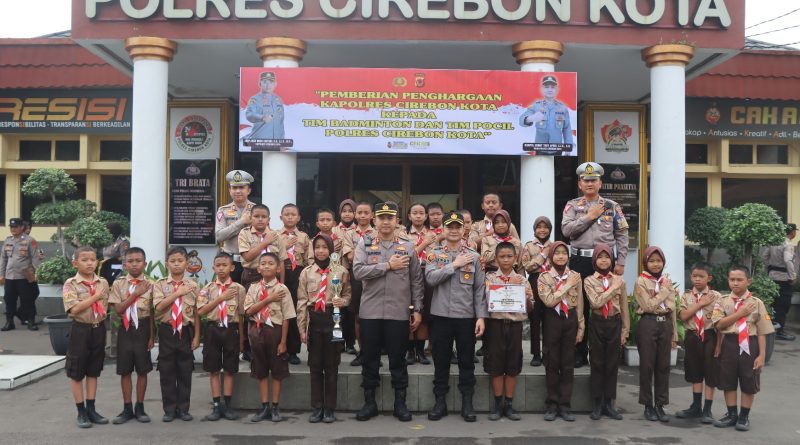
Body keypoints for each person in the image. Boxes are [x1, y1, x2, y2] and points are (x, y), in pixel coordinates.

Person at [352, 202, 424, 422]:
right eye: (381, 217)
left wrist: (418, 310)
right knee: (370, 358)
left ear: (397, 221)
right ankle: (369, 402)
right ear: (374, 220)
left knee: (398, 359)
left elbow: (416, 281)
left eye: (389, 218)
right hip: (371, 312)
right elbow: (357, 271)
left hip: (398, 313)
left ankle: (400, 403)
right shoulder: (364, 244)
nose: (385, 222)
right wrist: (387, 266)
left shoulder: (408, 246)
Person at [562, 162, 629, 368]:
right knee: (579, 306)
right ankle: (579, 352)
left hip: (603, 262)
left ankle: (599, 352)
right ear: (580, 184)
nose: (589, 184)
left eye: (593, 180)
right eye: (585, 180)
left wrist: (621, 262)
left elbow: (622, 234)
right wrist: (589, 217)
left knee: (602, 307)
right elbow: (566, 231)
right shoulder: (572, 206)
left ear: (600, 183)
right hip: (579, 260)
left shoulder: (611, 206)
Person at [424, 211, 486, 422]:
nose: (453, 230)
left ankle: (467, 402)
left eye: (457, 227)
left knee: (466, 361)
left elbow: (479, 290)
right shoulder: (435, 253)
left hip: (466, 316)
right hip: (441, 316)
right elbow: (430, 278)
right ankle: (439, 402)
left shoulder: (474, 256)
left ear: (463, 230)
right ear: (443, 229)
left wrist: (481, 317)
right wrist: (454, 265)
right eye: (449, 226)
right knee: (441, 360)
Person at [710, 265, 775, 432]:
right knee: (728, 380)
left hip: (750, 345)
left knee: (748, 380)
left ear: (748, 281)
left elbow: (762, 331)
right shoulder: (722, 301)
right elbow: (718, 325)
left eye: (740, 280)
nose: (735, 283)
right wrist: (740, 313)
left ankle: (744, 416)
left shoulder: (756, 303)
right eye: (732, 279)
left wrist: (761, 355)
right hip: (729, 344)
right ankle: (732, 414)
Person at [296, 234, 352, 423]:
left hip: (333, 318)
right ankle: (317, 407)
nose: (321, 251)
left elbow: (348, 295)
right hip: (314, 319)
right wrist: (302, 328)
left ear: (331, 249)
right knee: (315, 365)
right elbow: (302, 302)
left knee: (331, 365)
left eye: (324, 247)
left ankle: (329, 408)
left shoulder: (341, 271)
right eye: (317, 247)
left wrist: (342, 301)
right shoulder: (307, 272)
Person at [62, 246, 110, 428]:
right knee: (76, 371)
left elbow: (107, 307)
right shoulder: (71, 284)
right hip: (80, 330)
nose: (89, 263)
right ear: (75, 263)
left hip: (98, 329)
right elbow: (74, 309)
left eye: (92, 259)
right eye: (84, 260)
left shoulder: (103, 282)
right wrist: (95, 297)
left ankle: (92, 408)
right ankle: (80, 411)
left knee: (93, 370)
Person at [244, 252, 295, 423]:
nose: (266, 266)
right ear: (258, 268)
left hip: (275, 331)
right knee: (261, 370)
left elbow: (287, 317)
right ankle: (264, 406)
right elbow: (249, 311)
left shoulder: (282, 289)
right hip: (257, 331)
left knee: (277, 371)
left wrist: (283, 342)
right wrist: (269, 299)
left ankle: (275, 407)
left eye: (270, 263)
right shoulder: (253, 288)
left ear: (278, 268)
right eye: (263, 263)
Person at [483, 241, 532, 421]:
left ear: (515, 258)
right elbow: (487, 298)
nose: (506, 260)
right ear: (495, 259)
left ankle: (509, 404)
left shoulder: (523, 280)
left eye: (509, 256)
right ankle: (497, 404)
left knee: (512, 365)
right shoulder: (489, 278)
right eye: (502, 257)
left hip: (515, 325)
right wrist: (507, 285)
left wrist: (524, 295)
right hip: (495, 325)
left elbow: (530, 305)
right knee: (496, 365)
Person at [196, 253, 247, 421]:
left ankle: (228, 405)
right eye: (218, 265)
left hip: (231, 330)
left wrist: (241, 340)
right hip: (213, 330)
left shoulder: (239, 289)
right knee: (214, 369)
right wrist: (221, 298)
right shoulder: (208, 288)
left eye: (225, 265)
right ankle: (216, 405)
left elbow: (241, 316)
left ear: (232, 267)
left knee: (230, 369)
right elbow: (201, 311)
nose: (221, 268)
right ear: (213, 268)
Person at [152, 246, 201, 422]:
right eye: (173, 261)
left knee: (184, 370)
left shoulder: (193, 285)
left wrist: (196, 336)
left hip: (186, 330)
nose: (177, 264)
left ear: (187, 264)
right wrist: (177, 293)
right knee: (167, 370)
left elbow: (196, 312)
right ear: (167, 264)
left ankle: (183, 408)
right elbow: (158, 307)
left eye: (180, 261)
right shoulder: (160, 284)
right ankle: (169, 409)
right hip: (167, 330)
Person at [538, 241, 584, 422]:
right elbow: (549, 301)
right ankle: (551, 405)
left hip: (570, 318)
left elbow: (579, 302)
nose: (560, 256)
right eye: (557, 253)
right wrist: (566, 285)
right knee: (551, 362)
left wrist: (581, 327)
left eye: (564, 253)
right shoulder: (544, 277)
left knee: (567, 363)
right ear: (551, 256)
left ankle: (565, 406)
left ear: (568, 256)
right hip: (552, 319)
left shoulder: (575, 276)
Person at [108, 247, 155, 424]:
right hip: (126, 329)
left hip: (143, 328)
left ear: (145, 263)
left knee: (143, 370)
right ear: (124, 264)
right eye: (131, 261)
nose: (134, 264)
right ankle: (127, 407)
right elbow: (118, 309)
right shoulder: (119, 284)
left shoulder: (151, 284)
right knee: (125, 370)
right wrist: (135, 294)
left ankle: (140, 407)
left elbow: (151, 313)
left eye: (138, 261)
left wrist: (152, 336)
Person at [583, 244, 628, 421]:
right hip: (597, 322)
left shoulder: (620, 281)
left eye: (607, 257)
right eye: (600, 257)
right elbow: (595, 302)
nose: (604, 260)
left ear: (612, 260)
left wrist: (625, 329)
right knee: (597, 362)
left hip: (614, 322)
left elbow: (624, 306)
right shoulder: (589, 280)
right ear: (595, 260)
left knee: (612, 364)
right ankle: (597, 403)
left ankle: (609, 403)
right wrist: (612, 288)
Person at [634, 246, 678, 423]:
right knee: (647, 366)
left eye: (658, 261)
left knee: (663, 366)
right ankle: (647, 405)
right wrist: (665, 292)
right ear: (645, 262)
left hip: (665, 323)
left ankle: (660, 404)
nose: (655, 264)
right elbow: (648, 306)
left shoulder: (667, 280)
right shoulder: (641, 282)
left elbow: (673, 307)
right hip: (648, 323)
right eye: (651, 261)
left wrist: (674, 332)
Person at [675, 263, 721, 423]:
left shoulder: (716, 296)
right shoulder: (686, 296)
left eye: (701, 277)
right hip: (692, 336)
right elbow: (683, 316)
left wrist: (719, 344)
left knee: (710, 372)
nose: (697, 279)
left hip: (710, 336)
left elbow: (720, 323)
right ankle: (695, 407)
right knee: (695, 372)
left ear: (709, 278)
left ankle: (707, 409)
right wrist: (701, 303)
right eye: (694, 276)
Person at [343, 202, 377, 367]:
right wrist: (371, 253)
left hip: (376, 277)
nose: (363, 215)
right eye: (360, 213)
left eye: (366, 213)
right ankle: (362, 351)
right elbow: (350, 257)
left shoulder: (378, 232)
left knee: (376, 316)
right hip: (356, 278)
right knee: (358, 316)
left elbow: (382, 256)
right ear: (355, 215)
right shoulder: (349, 234)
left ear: (372, 215)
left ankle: (374, 353)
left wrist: (361, 252)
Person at [279, 203, 310, 365]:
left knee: (297, 311)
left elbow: (308, 260)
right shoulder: (275, 235)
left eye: (293, 214)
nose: (290, 217)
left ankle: (294, 351)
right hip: (281, 274)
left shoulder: (304, 237)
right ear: (281, 217)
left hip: (298, 274)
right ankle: (279, 347)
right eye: (287, 214)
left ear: (298, 218)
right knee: (281, 311)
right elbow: (270, 255)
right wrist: (284, 246)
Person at [406, 202, 436, 365]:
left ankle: (421, 350)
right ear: (409, 216)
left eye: (421, 213)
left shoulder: (434, 234)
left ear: (426, 216)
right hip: (408, 275)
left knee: (424, 312)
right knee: (409, 311)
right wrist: (424, 243)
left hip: (429, 274)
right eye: (414, 213)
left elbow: (439, 256)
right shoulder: (403, 235)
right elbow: (407, 256)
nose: (418, 216)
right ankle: (410, 350)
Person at [521, 216, 553, 366]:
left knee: (548, 319)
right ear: (534, 229)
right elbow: (527, 266)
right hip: (534, 281)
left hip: (551, 283)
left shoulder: (555, 246)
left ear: (550, 229)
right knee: (534, 319)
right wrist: (542, 256)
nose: (542, 230)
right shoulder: (528, 246)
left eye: (545, 227)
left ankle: (547, 352)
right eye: (539, 227)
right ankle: (535, 354)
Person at [215, 170, 256, 284]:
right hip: (230, 262)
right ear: (230, 190)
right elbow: (219, 236)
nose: (238, 191)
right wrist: (241, 222)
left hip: (251, 262)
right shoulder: (223, 210)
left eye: (241, 187)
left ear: (249, 190)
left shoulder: (257, 210)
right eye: (234, 188)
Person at [1, 217, 39, 331]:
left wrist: (35, 274)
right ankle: (9, 322)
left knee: (27, 299)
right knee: (9, 299)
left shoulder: (30, 240)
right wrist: (1, 274)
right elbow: (3, 259)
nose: (13, 229)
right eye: (11, 227)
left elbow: (35, 258)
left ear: (22, 227)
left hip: (24, 276)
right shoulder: (8, 241)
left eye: (15, 227)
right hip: (10, 276)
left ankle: (31, 321)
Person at [238, 204, 287, 289]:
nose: (260, 219)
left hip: (273, 276)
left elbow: (281, 261)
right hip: (251, 275)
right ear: (251, 218)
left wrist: (282, 284)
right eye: (256, 216)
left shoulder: (277, 236)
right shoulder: (244, 233)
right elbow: (247, 257)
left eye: (264, 217)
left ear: (269, 219)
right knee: (252, 301)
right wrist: (265, 242)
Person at [761, 223, 796, 341]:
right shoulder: (787, 243)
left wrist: (769, 269)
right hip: (784, 278)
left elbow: (764, 256)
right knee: (783, 304)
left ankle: (770, 327)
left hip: (772, 277)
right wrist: (792, 276)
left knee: (773, 303)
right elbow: (788, 260)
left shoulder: (774, 241)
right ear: (792, 233)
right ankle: (780, 331)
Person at [519, 75, 573, 145]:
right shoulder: (536, 105)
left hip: (557, 149)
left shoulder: (562, 107)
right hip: (540, 148)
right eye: (546, 87)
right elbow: (521, 120)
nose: (550, 90)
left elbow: (567, 128)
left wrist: (568, 146)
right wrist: (530, 118)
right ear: (542, 89)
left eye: (552, 87)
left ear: (557, 89)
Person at [337, 199, 358, 354]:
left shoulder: (359, 231)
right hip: (335, 274)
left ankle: (350, 343)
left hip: (353, 274)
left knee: (351, 310)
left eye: (350, 211)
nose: (347, 214)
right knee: (337, 310)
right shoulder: (333, 230)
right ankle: (337, 342)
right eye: (344, 211)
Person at [480, 210, 523, 274]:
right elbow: (484, 259)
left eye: (503, 222)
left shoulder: (516, 242)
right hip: (491, 276)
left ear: (508, 223)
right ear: (493, 225)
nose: (500, 225)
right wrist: (500, 245)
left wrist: (522, 282)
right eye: (496, 222)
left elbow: (520, 266)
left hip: (512, 276)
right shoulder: (486, 239)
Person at [245, 71, 285, 140]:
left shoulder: (278, 100)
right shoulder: (255, 99)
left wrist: (282, 140)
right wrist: (262, 117)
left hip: (277, 142)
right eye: (265, 82)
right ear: (260, 84)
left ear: (275, 84)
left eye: (271, 82)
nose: (268, 85)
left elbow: (281, 122)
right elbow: (249, 115)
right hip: (260, 141)